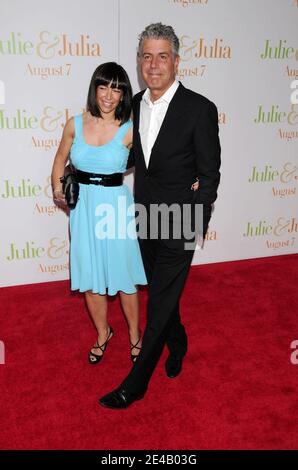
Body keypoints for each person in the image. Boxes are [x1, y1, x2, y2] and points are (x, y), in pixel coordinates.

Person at [99, 23, 221, 409]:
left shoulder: (200, 109)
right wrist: (85, 174)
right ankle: (178, 339)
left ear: (176, 61)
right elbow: (129, 159)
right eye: (146, 56)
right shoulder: (132, 105)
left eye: (162, 56)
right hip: (143, 219)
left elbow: (210, 173)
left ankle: (135, 384)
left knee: (158, 304)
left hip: (180, 220)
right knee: (162, 293)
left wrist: (195, 222)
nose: (154, 64)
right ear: (138, 62)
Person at [51, 62, 147, 365]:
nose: (109, 94)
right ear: (95, 88)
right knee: (90, 277)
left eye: (116, 88)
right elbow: (59, 160)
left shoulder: (131, 128)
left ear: (123, 94)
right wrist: (57, 190)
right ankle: (103, 333)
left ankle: (135, 335)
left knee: (124, 277)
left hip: (116, 208)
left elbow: (157, 165)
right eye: (104, 86)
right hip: (82, 207)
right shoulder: (74, 124)